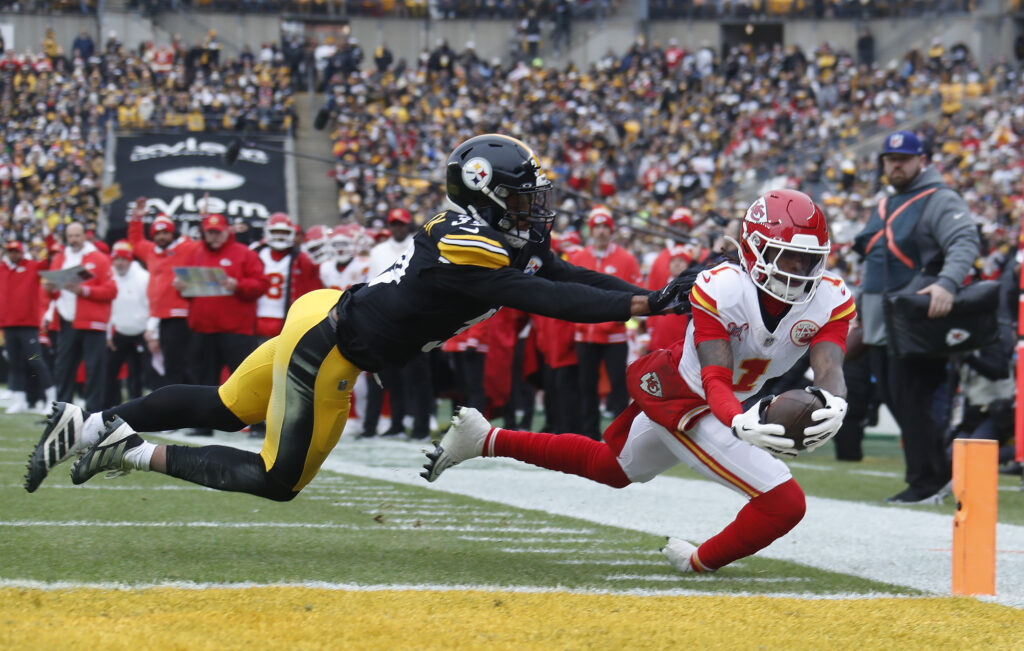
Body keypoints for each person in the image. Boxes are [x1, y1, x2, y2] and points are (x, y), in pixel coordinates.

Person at [24, 134, 690, 499]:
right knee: (277, 479)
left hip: (330, 319)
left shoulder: (498, 236)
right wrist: (645, 301)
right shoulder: (468, 245)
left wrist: (650, 296)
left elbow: (567, 274)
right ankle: (126, 448)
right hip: (333, 347)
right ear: (486, 195)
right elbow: (543, 296)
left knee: (229, 405)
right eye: (521, 195)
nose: (534, 207)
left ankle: (89, 423)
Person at [423, 189, 855, 574]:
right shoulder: (723, 288)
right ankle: (699, 561)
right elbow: (715, 376)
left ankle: (484, 438)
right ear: (756, 249)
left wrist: (836, 402)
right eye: (788, 257)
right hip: (688, 400)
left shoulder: (829, 297)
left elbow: (830, 368)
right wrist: (738, 422)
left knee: (611, 468)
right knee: (784, 503)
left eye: (809, 259)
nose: (799, 270)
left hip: (712, 400)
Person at [852, 130, 980, 504]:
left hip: (914, 322)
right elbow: (871, 259)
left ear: (922, 160)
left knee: (914, 402)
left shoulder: (940, 199)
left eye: (904, 158)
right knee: (894, 398)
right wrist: (859, 305)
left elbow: (965, 241)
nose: (896, 165)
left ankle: (926, 482)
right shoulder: (886, 203)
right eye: (890, 159)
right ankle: (936, 476)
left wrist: (947, 283)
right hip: (879, 323)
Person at [173, 213, 270, 436]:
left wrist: (238, 284)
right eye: (210, 232)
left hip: (236, 328)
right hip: (203, 328)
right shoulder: (196, 254)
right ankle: (204, 424)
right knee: (203, 381)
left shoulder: (244, 254)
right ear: (204, 233)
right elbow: (189, 293)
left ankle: (257, 424)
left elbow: (261, 284)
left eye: (218, 232)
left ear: (227, 231)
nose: (214, 237)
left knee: (246, 377)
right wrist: (182, 286)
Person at [570, 205, 643, 438]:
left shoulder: (626, 259)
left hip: (615, 336)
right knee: (586, 387)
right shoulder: (579, 257)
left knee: (618, 388)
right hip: (585, 335)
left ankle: (621, 436)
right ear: (591, 230)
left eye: (605, 227)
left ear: (611, 230)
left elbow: (637, 294)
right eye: (597, 227)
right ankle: (588, 436)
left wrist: (630, 323)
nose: (601, 231)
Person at [44, 221, 117, 414]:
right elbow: (53, 292)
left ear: (85, 236)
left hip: (91, 322)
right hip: (67, 320)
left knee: (94, 370)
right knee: (64, 369)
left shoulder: (99, 259)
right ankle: (62, 413)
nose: (74, 239)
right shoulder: (60, 257)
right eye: (70, 236)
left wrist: (83, 290)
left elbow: (111, 290)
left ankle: (94, 413)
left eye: (77, 235)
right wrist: (50, 289)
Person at [127, 205, 201, 387]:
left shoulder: (185, 247)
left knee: (178, 364)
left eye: (165, 233)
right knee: (169, 363)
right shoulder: (152, 251)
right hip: (161, 315)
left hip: (180, 314)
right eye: (158, 234)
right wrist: (136, 219)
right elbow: (136, 243)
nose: (161, 237)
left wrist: (203, 219)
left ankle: (181, 400)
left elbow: (204, 244)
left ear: (172, 233)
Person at [1, 240, 56, 414]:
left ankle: (51, 398)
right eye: (11, 252)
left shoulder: (32, 266)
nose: (13, 254)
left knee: (36, 361)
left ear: (22, 252)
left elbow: (48, 261)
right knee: (15, 363)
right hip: (8, 324)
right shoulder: (4, 269)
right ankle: (20, 400)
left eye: (16, 251)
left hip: (27, 324)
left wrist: (46, 243)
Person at [103, 241, 151, 407]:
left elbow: (151, 304)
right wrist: (108, 332)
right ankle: (109, 406)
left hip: (140, 330)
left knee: (137, 372)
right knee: (109, 371)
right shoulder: (110, 276)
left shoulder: (143, 277)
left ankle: (136, 407)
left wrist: (150, 328)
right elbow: (107, 306)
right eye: (116, 259)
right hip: (119, 331)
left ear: (130, 260)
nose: (119, 263)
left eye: (123, 259)